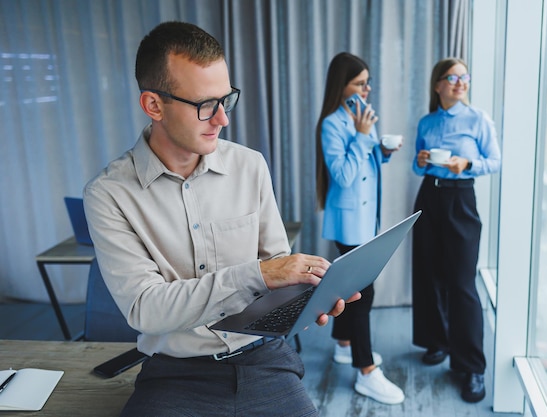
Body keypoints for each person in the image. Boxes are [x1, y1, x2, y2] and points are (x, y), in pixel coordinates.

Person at [83, 21, 357, 417]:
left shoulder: (250, 166)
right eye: (204, 105)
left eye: (225, 100)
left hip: (263, 359)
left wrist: (309, 295)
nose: (222, 120)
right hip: (174, 374)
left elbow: (277, 268)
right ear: (154, 105)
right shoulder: (109, 194)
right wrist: (258, 275)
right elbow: (146, 309)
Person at [314, 52, 404, 405]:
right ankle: (366, 371)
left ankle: (343, 345)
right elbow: (344, 176)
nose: (368, 88)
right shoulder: (332, 124)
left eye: (368, 82)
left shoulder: (363, 115)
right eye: (360, 83)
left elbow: (368, 163)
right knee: (363, 294)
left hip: (369, 219)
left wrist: (382, 150)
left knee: (354, 289)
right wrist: (364, 137)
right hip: (349, 221)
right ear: (342, 85)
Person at [411, 57, 501, 403]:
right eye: (452, 77)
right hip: (428, 198)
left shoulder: (478, 119)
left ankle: (473, 367)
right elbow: (419, 166)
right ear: (438, 85)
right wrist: (420, 162)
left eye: (464, 77)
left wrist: (468, 164)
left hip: (461, 199)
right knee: (428, 273)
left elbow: (495, 160)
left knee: (462, 284)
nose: (460, 83)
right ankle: (438, 342)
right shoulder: (427, 121)